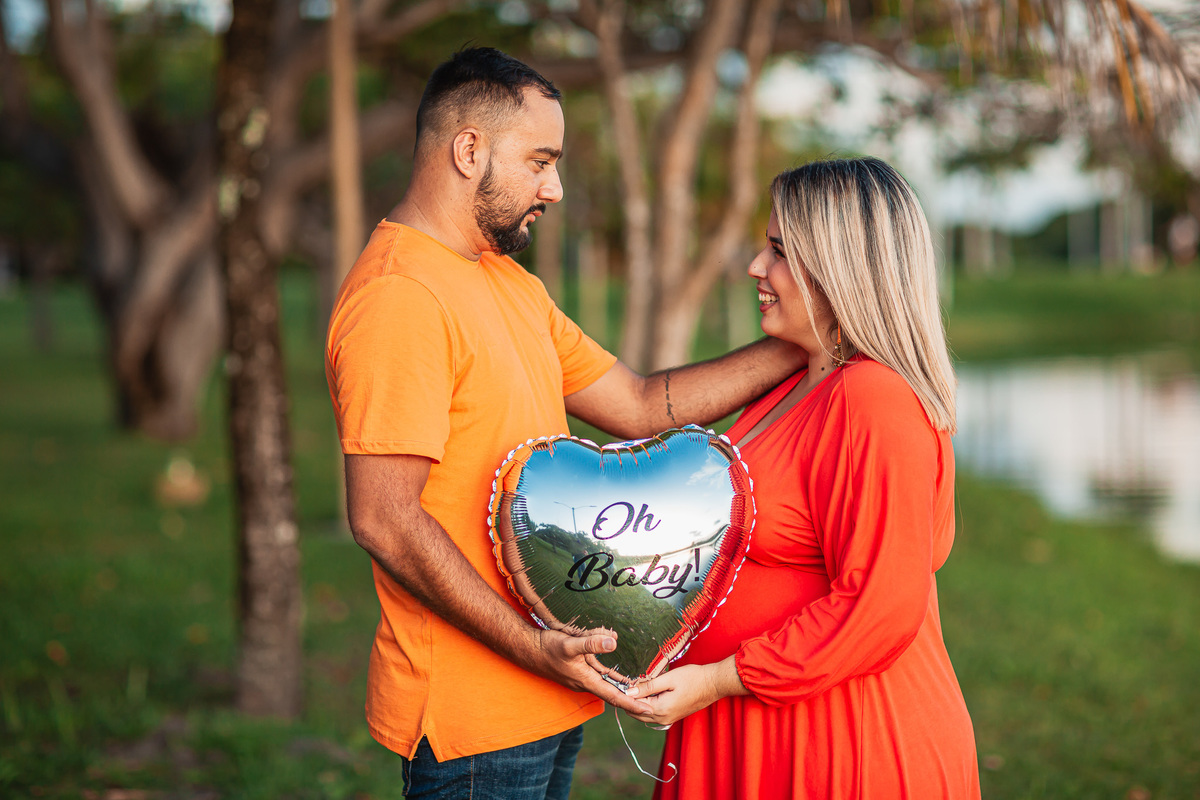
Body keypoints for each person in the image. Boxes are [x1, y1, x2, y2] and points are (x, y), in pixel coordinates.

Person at [323, 47, 805, 799]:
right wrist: (534, 646)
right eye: (540, 159)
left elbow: (643, 404)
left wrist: (808, 341)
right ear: (468, 149)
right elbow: (384, 519)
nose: (554, 186)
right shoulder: (401, 297)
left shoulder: (507, 282)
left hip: (547, 692)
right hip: (473, 719)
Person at [628, 157, 981, 799]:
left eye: (780, 252)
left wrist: (718, 678)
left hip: (838, 741)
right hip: (751, 723)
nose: (756, 269)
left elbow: (881, 607)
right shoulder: (798, 381)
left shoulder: (874, 399)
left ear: (840, 271)